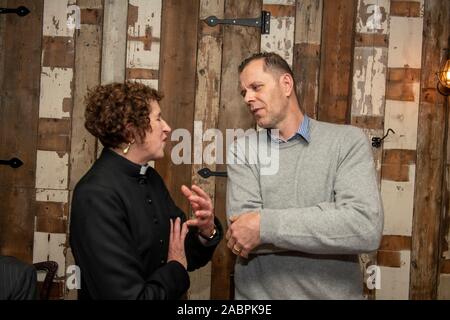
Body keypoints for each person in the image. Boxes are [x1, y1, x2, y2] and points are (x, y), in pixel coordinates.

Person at [225, 52, 384, 299]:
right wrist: (331, 222)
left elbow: (364, 228)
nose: (248, 98)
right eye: (244, 92)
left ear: (286, 84)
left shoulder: (346, 142)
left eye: (256, 87)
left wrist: (265, 225)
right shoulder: (242, 150)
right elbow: (243, 236)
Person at [70, 82, 222, 300]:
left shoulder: (150, 178)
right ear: (132, 130)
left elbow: (181, 250)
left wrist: (207, 231)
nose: (167, 127)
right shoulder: (95, 196)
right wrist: (176, 269)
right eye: (158, 118)